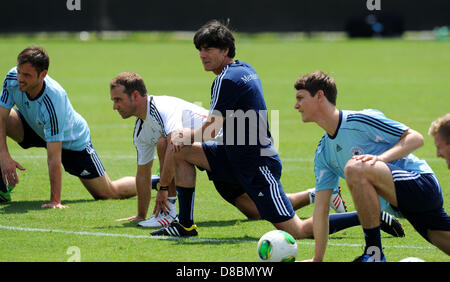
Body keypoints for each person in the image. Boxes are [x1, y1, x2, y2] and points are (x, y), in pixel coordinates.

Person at [149, 21, 404, 258]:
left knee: (296, 230)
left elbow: (211, 130)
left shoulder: (226, 80)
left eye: (209, 49)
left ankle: (367, 215)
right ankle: (185, 224)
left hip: (257, 165)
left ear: (225, 50)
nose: (203, 55)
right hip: (233, 155)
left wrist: (185, 134)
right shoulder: (243, 68)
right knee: (181, 151)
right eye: (200, 50)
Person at [294, 70, 450, 261]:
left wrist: (381, 159)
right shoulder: (323, 152)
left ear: (319, 96)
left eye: (300, 98)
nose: (296, 106)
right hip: (403, 208)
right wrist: (317, 259)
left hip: (420, 183)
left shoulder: (358, 120)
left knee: (355, 167)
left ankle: (373, 254)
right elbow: (321, 208)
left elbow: (415, 138)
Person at [0, 46, 136, 208]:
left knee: (108, 193)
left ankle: (153, 180)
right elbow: (1, 118)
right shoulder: (12, 78)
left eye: (27, 75)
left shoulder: (53, 99)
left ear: (43, 75)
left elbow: (54, 158)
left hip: (70, 142)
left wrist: (55, 201)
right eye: (19, 72)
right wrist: (4, 156)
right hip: (33, 126)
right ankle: (2, 189)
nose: (20, 78)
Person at [110, 71, 210, 227]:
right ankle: (168, 213)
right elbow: (143, 174)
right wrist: (140, 215)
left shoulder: (162, 108)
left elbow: (175, 143)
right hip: (205, 157)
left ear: (135, 95)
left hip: (227, 148)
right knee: (254, 213)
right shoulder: (141, 131)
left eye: (118, 100)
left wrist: (163, 188)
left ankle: (169, 212)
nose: (114, 107)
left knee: (165, 143)